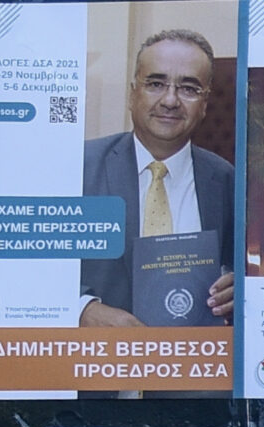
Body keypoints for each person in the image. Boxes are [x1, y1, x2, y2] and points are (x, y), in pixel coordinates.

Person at [79, 29, 233, 327]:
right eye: (156, 84)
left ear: (205, 104)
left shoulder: (227, 181)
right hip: (95, 353)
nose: (170, 100)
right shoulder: (79, 169)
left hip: (194, 353)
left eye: (189, 88)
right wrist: (83, 310)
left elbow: (239, 271)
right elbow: (33, 266)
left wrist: (237, 289)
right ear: (132, 93)